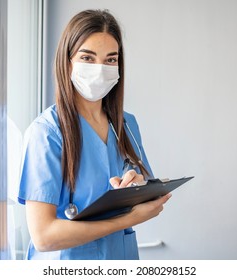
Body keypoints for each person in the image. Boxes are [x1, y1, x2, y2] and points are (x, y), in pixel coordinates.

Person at [18, 9, 171, 260]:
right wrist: (128, 219)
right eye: (88, 58)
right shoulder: (46, 133)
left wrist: (137, 186)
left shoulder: (126, 124)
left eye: (111, 60)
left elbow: (145, 187)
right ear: (67, 61)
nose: (100, 69)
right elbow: (44, 236)